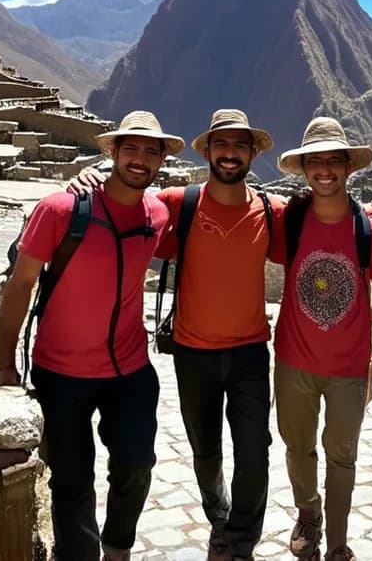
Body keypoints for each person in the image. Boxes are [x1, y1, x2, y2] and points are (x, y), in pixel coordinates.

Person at [70, 109, 282, 561]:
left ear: (252, 154)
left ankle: (241, 540)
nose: (229, 154)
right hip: (193, 351)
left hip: (249, 353)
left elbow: (321, 222)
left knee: (254, 452)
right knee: (205, 449)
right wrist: (84, 181)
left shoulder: (270, 210)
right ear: (207, 151)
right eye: (221, 145)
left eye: (239, 145)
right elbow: (122, 198)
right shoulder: (176, 204)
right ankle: (218, 518)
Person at [0, 111, 183, 561]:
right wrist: (4, 364)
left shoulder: (156, 214)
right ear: (111, 152)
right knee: (72, 479)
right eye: (130, 148)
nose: (140, 159)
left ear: (160, 161)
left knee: (136, 465)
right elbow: (20, 286)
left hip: (130, 369)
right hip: (62, 370)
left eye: (150, 151)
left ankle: (117, 549)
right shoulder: (61, 210)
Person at [270, 118, 372, 561]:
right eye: (315, 162)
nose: (325, 170)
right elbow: (238, 212)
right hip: (293, 362)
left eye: (333, 161)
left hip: (348, 368)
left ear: (348, 167)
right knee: (298, 445)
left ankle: (338, 539)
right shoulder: (289, 222)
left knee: (342, 455)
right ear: (305, 169)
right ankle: (309, 513)